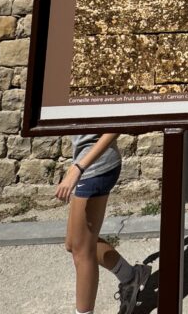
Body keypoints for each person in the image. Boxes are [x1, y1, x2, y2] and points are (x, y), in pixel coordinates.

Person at [56, 133, 150, 314]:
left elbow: (115, 126)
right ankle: (131, 276)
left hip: (96, 167)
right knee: (73, 244)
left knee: (82, 250)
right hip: (84, 164)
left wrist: (79, 167)